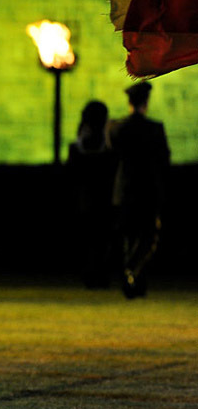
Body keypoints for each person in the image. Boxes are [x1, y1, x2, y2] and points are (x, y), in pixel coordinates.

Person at [107, 82, 170, 298]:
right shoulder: (154, 128)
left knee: (129, 237)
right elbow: (164, 160)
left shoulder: (118, 128)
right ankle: (134, 274)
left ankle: (131, 277)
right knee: (147, 237)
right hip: (148, 191)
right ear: (146, 102)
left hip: (125, 191)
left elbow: (111, 150)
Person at [67, 100, 115, 289]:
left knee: (89, 240)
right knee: (101, 240)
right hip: (103, 199)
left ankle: (91, 274)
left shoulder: (78, 147)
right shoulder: (108, 147)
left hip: (85, 200)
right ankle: (99, 274)